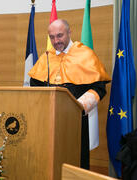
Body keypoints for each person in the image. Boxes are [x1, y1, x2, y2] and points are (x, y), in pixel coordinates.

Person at [28, 19, 111, 169]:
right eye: (52, 37)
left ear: (69, 33)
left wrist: (78, 107)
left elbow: (99, 87)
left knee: (76, 163)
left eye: (59, 36)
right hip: (50, 122)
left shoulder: (85, 54)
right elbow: (35, 85)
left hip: (76, 122)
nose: (55, 41)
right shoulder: (46, 57)